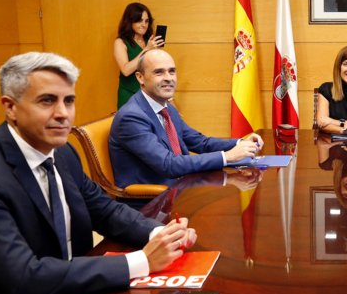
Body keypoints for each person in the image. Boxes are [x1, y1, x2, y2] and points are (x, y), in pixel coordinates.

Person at [0, 52, 196, 294]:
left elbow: (104, 210)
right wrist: (142, 261)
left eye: (69, 100)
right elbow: (24, 277)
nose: (63, 113)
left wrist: (159, 233)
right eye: (47, 100)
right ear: (10, 107)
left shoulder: (61, 151)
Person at [109, 49, 264, 189]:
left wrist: (240, 143)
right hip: (151, 204)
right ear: (140, 78)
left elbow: (201, 143)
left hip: (181, 188)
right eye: (159, 72)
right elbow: (168, 164)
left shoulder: (168, 109)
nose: (168, 78)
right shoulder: (131, 117)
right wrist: (228, 157)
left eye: (172, 71)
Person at [113, 2, 164, 110]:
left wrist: (169, 99)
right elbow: (126, 70)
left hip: (150, 95)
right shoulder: (121, 42)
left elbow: (158, 71)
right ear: (130, 21)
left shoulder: (149, 41)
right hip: (129, 95)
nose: (144, 25)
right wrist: (146, 50)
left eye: (146, 21)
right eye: (139, 21)